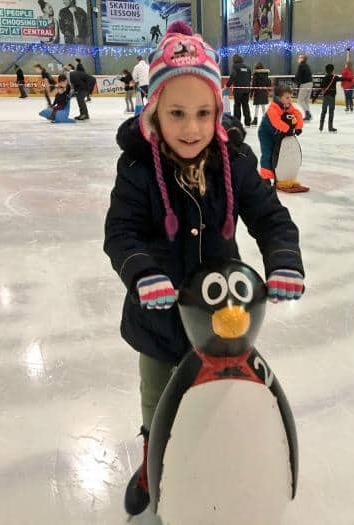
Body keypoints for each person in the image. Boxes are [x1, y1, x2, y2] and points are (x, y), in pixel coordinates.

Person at [103, 21, 304, 517]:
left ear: (218, 110)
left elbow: (271, 217)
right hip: (158, 321)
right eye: (176, 113)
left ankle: (221, 453)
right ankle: (154, 458)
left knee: (220, 397)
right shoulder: (137, 169)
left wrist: (283, 260)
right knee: (157, 399)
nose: (190, 127)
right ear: (153, 111)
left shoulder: (233, 160)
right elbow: (121, 234)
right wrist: (143, 272)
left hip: (222, 318)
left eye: (201, 112)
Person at [257, 84, 305, 191]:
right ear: (279, 98)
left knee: (279, 155)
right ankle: (265, 178)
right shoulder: (273, 108)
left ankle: (279, 177)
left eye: (290, 97)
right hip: (266, 134)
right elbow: (276, 122)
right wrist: (288, 129)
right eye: (287, 97)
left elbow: (298, 114)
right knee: (268, 154)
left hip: (278, 134)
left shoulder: (288, 106)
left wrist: (298, 127)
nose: (289, 100)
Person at [226, 54, 252, 126]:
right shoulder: (248, 67)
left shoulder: (235, 66)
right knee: (245, 105)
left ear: (234, 60)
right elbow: (249, 78)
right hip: (246, 89)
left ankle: (237, 122)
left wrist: (228, 85)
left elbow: (233, 75)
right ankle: (248, 121)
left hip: (238, 90)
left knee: (237, 105)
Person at [319, 64, 340, 132]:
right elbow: (342, 79)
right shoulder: (334, 77)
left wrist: (315, 97)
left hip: (325, 97)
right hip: (332, 97)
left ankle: (321, 126)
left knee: (323, 111)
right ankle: (330, 127)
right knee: (331, 112)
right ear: (332, 70)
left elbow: (321, 87)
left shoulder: (324, 78)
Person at [250, 61, 271, 125]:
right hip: (264, 91)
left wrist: (251, 94)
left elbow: (254, 84)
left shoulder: (255, 74)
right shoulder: (266, 74)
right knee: (263, 106)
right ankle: (265, 120)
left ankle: (255, 120)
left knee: (257, 106)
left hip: (258, 91)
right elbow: (268, 83)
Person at [294, 53, 313, 120]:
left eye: (299, 57)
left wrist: (296, 82)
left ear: (302, 59)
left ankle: (307, 113)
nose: (298, 58)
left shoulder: (301, 65)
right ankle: (308, 115)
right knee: (306, 101)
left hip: (305, 84)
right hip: (310, 83)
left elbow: (298, 75)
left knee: (300, 100)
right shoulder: (306, 65)